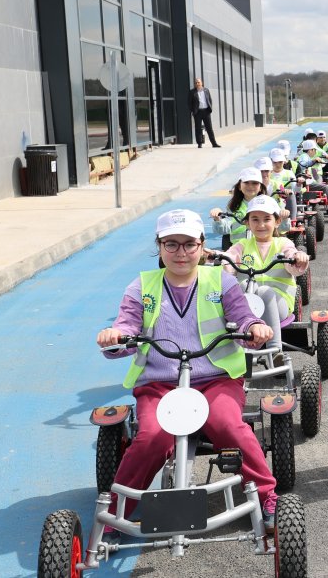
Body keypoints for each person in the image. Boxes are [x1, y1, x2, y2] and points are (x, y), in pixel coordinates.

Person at [96, 209, 277, 527]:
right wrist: (116, 336)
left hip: (214, 379)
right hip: (161, 383)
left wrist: (254, 327)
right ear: (160, 246)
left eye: (189, 244)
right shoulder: (143, 287)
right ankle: (116, 511)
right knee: (152, 436)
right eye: (172, 244)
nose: (181, 253)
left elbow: (243, 315)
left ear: (202, 247)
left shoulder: (220, 281)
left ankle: (266, 496)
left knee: (229, 427)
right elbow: (126, 325)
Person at [222, 196, 308, 352]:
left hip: (279, 303)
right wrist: (216, 258)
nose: (261, 225)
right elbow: (228, 259)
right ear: (247, 223)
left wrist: (297, 258)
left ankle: (275, 350)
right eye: (255, 219)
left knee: (264, 291)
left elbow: (292, 259)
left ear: (277, 221)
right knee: (238, 288)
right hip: (248, 306)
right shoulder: (241, 245)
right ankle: (236, 350)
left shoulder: (283, 244)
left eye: (266, 219)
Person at [210, 167, 264, 250]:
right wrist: (217, 219)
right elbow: (224, 229)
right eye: (246, 183)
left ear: (260, 187)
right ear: (239, 186)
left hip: (262, 248)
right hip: (238, 250)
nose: (250, 186)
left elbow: (280, 227)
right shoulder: (233, 206)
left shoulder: (268, 204)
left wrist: (284, 217)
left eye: (255, 183)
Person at [189, 78, 220, 148]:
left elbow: (210, 100)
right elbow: (189, 103)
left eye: (198, 82)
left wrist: (210, 108)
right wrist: (193, 111)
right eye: (196, 83)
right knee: (198, 128)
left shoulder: (206, 90)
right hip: (197, 112)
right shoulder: (192, 92)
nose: (197, 84)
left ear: (201, 83)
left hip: (206, 111)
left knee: (209, 128)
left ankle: (214, 143)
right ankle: (199, 143)